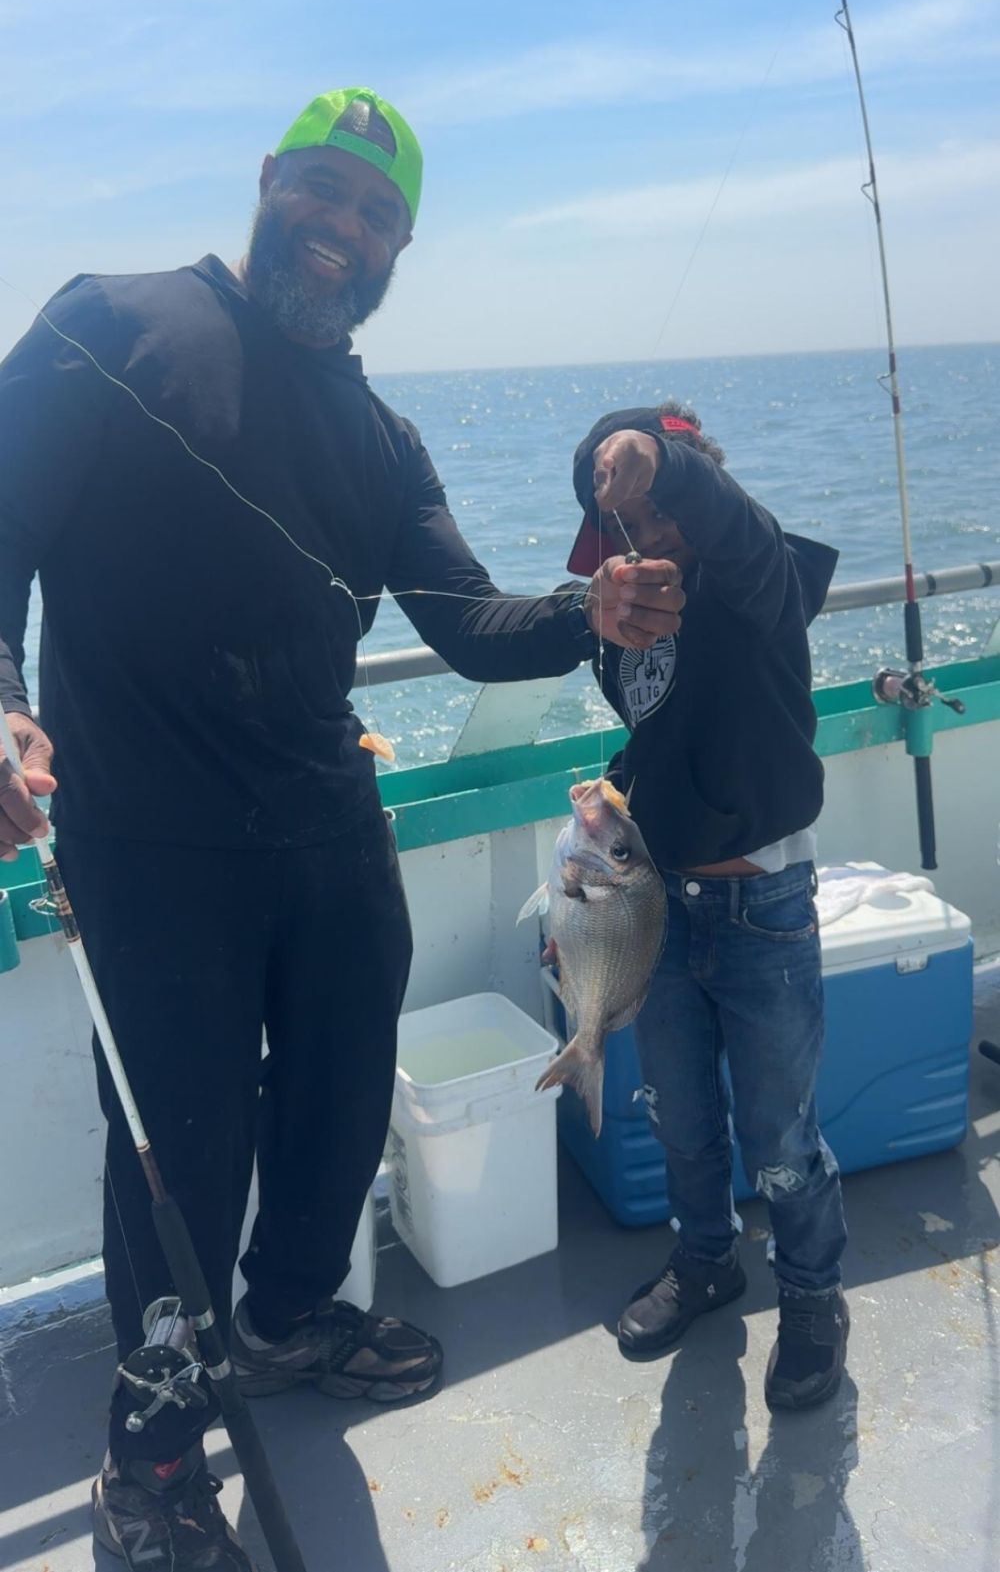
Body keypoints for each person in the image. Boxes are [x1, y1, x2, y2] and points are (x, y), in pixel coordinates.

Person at [0, 88, 684, 1572]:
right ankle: (153, 1452)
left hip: (325, 830)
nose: (341, 227)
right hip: (151, 846)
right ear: (268, 180)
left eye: (376, 214)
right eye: (322, 187)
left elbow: (467, 620)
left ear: (399, 249)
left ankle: (290, 1316)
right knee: (180, 1154)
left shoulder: (383, 439)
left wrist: (593, 612)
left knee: (332, 1104)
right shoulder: (107, 322)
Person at [565, 400, 849, 1411]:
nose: (652, 533)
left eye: (665, 506)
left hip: (762, 905)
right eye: (630, 520)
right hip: (658, 909)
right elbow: (663, 729)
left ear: (704, 485)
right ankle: (704, 1259)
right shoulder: (629, 611)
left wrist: (666, 466)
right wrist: (611, 801)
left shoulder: (758, 580)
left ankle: (811, 1295)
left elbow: (741, 534)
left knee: (779, 1137)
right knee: (679, 1119)